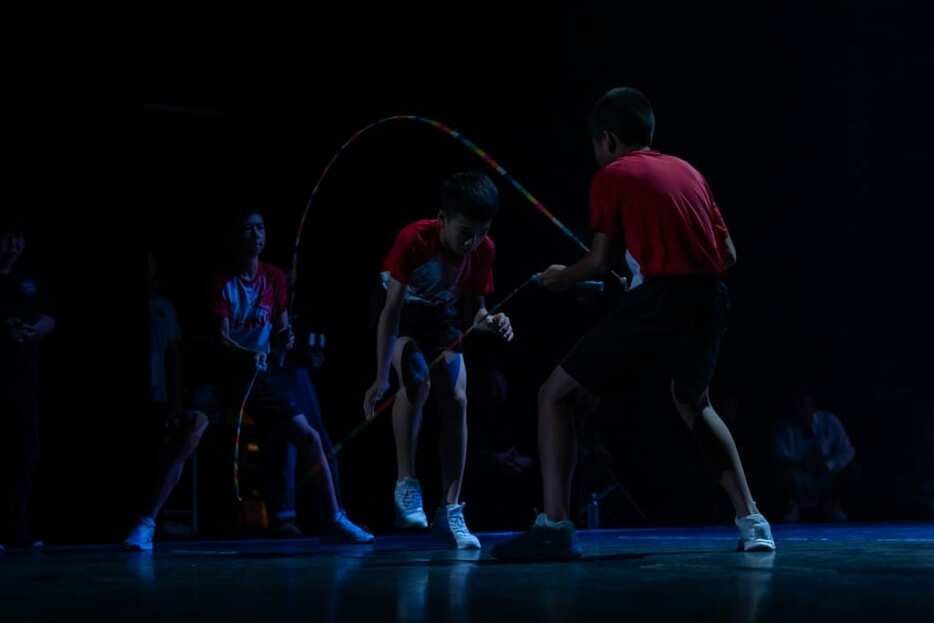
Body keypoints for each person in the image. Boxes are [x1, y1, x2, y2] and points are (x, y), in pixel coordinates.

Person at [492, 87, 775, 560]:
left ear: (606, 140)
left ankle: (554, 526)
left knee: (554, 394)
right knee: (694, 403)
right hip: (709, 299)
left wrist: (564, 278)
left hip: (659, 301)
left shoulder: (613, 175)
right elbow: (727, 255)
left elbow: (600, 260)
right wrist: (646, 274)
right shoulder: (689, 171)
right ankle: (753, 520)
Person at [124, 211, 372, 550]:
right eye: (247, 229)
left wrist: (285, 338)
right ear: (234, 238)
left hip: (260, 377)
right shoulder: (221, 281)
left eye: (260, 228)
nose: (256, 234)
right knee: (188, 435)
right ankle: (145, 523)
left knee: (310, 437)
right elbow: (222, 338)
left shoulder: (275, 279)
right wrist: (246, 354)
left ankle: (335, 517)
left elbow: (281, 326)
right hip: (221, 375)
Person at [364, 172, 514, 549]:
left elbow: (475, 312)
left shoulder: (484, 249)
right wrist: (381, 376)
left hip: (440, 314)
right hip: (399, 311)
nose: (473, 242)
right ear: (443, 219)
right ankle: (406, 484)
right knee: (416, 380)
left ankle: (451, 512)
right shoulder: (415, 238)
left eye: (481, 232)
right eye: (466, 231)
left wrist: (493, 321)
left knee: (458, 398)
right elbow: (392, 310)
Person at [0, 216, 55, 552]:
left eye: (19, 239)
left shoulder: (30, 280)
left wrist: (36, 329)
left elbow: (50, 317)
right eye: (8, 238)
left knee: (26, 455)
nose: (15, 246)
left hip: (25, 382)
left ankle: (19, 529)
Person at [774, 388, 857, 521]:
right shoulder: (784, 428)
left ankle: (834, 506)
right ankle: (791, 506)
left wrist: (828, 465)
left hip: (827, 475)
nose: (804, 411)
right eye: (799, 406)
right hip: (798, 477)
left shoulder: (829, 421)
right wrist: (803, 465)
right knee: (780, 474)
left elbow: (848, 451)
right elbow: (781, 458)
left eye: (807, 406)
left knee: (852, 468)